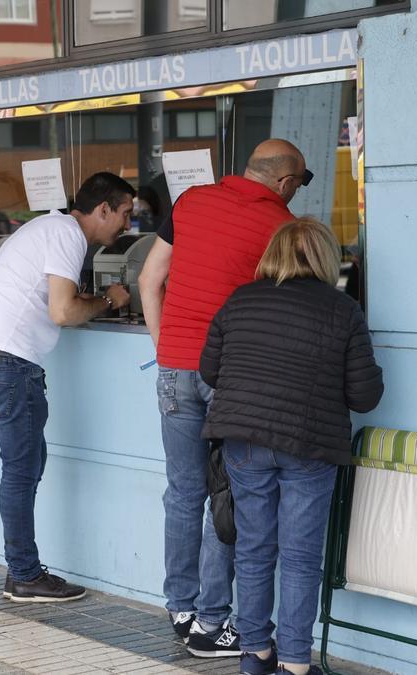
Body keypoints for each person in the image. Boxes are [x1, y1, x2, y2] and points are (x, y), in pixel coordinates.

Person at [137, 138, 309, 657]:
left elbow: (150, 279)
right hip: (230, 375)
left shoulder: (189, 202)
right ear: (284, 182)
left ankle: (180, 607)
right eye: (300, 184)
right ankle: (212, 624)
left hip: (174, 367)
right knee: (227, 495)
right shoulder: (281, 226)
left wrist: (167, 348)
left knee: (182, 492)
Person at [199, 218, 383, 675]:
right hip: (308, 446)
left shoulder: (240, 300)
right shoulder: (342, 311)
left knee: (254, 550)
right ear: (323, 257)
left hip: (244, 442)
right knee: (300, 558)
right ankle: (295, 665)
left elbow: (209, 371)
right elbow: (365, 396)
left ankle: (255, 655)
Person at [0, 172, 133, 602]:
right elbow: (63, 310)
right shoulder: (67, 233)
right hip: (8, 364)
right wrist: (111, 300)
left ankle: (21, 570)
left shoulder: (47, 227)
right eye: (125, 214)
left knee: (26, 464)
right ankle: (24, 574)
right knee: (21, 471)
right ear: (103, 210)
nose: (128, 225)